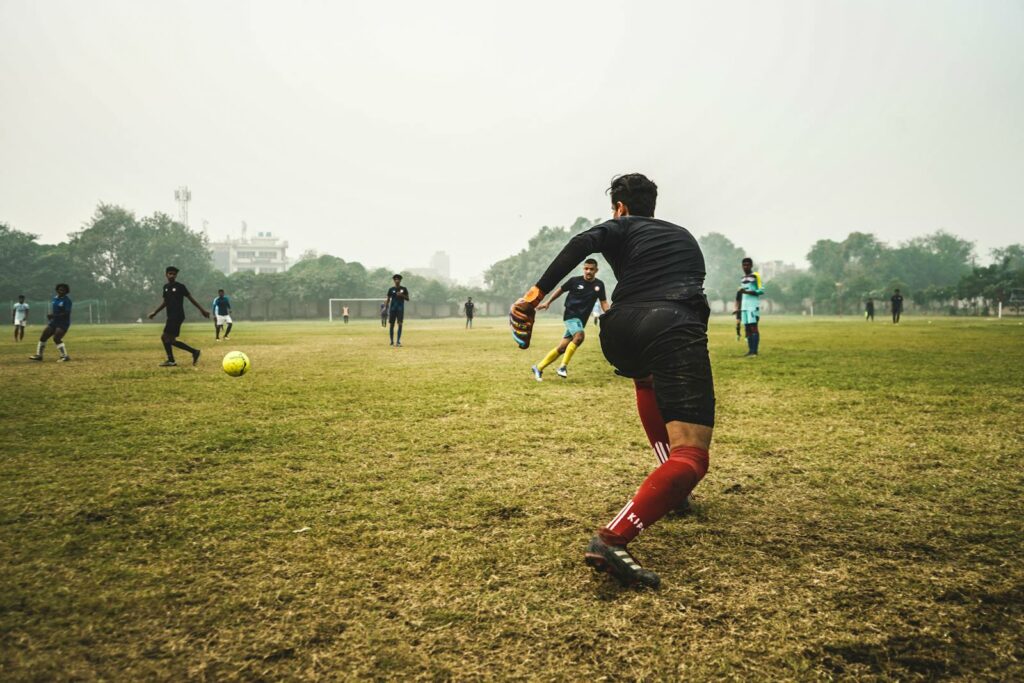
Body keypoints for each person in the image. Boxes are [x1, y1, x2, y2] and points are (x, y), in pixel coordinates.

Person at [509, 173, 714, 588]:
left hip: (619, 328)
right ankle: (612, 537)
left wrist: (531, 297)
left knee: (646, 382)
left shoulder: (620, 226)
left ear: (619, 208)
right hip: (672, 322)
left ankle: (670, 488)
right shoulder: (682, 236)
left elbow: (581, 242)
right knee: (692, 457)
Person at [531, 259, 608, 380]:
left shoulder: (599, 285)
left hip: (581, 320)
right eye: (586, 268)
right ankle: (562, 367)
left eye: (591, 269)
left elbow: (603, 302)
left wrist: (608, 314)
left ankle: (538, 367)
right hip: (570, 315)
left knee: (562, 348)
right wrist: (548, 302)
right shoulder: (574, 281)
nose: (588, 271)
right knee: (579, 336)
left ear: (596, 270)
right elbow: (560, 290)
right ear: (583, 269)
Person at [148, 266, 210, 367]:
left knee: (165, 337)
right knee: (170, 340)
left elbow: (191, 299)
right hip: (171, 315)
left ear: (176, 275)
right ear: (166, 274)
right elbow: (165, 302)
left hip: (177, 315)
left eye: (174, 274)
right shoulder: (166, 287)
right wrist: (155, 312)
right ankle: (194, 352)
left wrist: (202, 310)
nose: (172, 275)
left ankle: (172, 360)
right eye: (170, 273)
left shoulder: (180, 286)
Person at [29, 284, 72, 361]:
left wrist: (53, 315)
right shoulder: (55, 299)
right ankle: (39, 356)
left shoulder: (67, 300)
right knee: (44, 336)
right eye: (59, 289)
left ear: (66, 291)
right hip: (54, 322)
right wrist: (52, 316)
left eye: (63, 290)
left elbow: (66, 313)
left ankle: (65, 356)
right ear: (57, 290)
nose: (61, 291)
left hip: (63, 322)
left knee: (56, 338)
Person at [735, 258, 764, 357]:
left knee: (753, 327)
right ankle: (750, 351)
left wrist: (746, 292)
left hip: (752, 306)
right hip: (744, 307)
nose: (745, 267)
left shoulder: (756, 276)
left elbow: (761, 290)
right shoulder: (742, 278)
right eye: (744, 265)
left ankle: (754, 351)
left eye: (747, 265)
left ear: (751, 265)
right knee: (747, 328)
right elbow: (741, 294)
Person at [385, 274, 410, 346]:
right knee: (391, 325)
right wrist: (385, 308)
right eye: (395, 279)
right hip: (392, 309)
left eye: (398, 279)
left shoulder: (404, 289)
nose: (397, 280)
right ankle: (392, 341)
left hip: (400, 309)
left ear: (400, 280)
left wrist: (402, 295)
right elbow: (388, 299)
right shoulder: (391, 289)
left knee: (400, 324)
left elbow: (408, 299)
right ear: (393, 280)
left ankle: (398, 341)